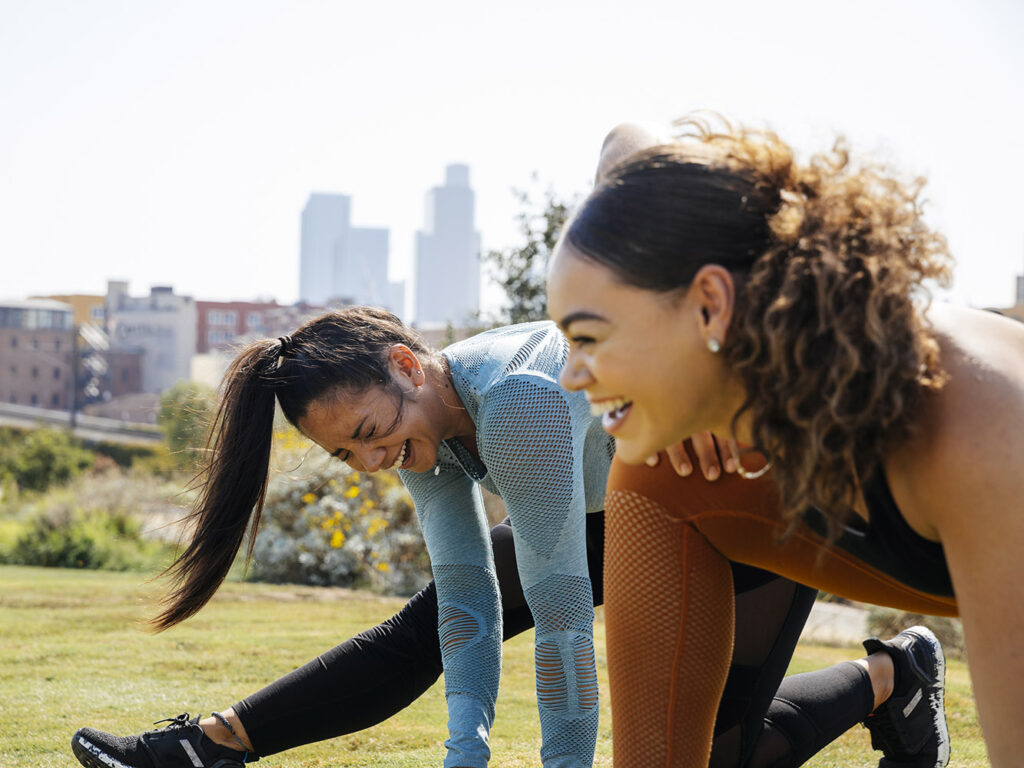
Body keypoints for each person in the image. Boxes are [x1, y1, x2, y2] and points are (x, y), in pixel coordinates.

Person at [71, 309, 939, 768]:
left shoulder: (515, 404)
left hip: (748, 505)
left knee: (713, 757)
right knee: (425, 625)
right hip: (631, 510)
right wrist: (465, 756)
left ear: (406, 365)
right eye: (346, 454)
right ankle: (212, 744)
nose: (371, 461)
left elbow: (563, 624)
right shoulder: (420, 427)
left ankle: (894, 677)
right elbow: (467, 606)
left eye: (370, 433)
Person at [547, 116, 1023, 767]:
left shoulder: (977, 435)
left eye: (589, 338)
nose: (571, 376)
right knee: (654, 473)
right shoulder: (753, 382)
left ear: (710, 304)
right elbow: (625, 140)